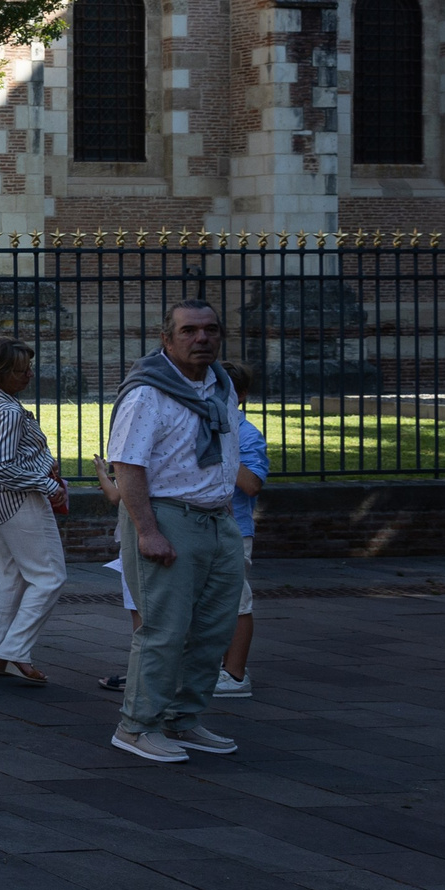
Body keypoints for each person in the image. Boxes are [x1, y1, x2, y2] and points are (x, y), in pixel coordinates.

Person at [106, 299, 246, 764]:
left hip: (217, 519)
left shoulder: (220, 386)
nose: (201, 338)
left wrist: (222, 506)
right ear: (166, 340)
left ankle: (182, 719)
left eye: (210, 329)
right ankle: (137, 726)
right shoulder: (148, 392)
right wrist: (147, 530)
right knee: (164, 630)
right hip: (167, 518)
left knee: (212, 629)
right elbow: (126, 464)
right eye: (188, 331)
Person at [0, 336, 67, 687]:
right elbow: (0, 466)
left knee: (12, 577)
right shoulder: (9, 410)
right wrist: (48, 485)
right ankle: (14, 651)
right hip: (17, 498)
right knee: (49, 576)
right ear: (1, 371)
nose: (28, 375)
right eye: (20, 370)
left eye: (28, 367)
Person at [221, 365, 268, 698]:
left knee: (236, 600)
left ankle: (236, 675)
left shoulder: (247, 434)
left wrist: (222, 449)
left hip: (234, 529)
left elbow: (251, 485)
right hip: (202, 524)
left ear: (240, 396)